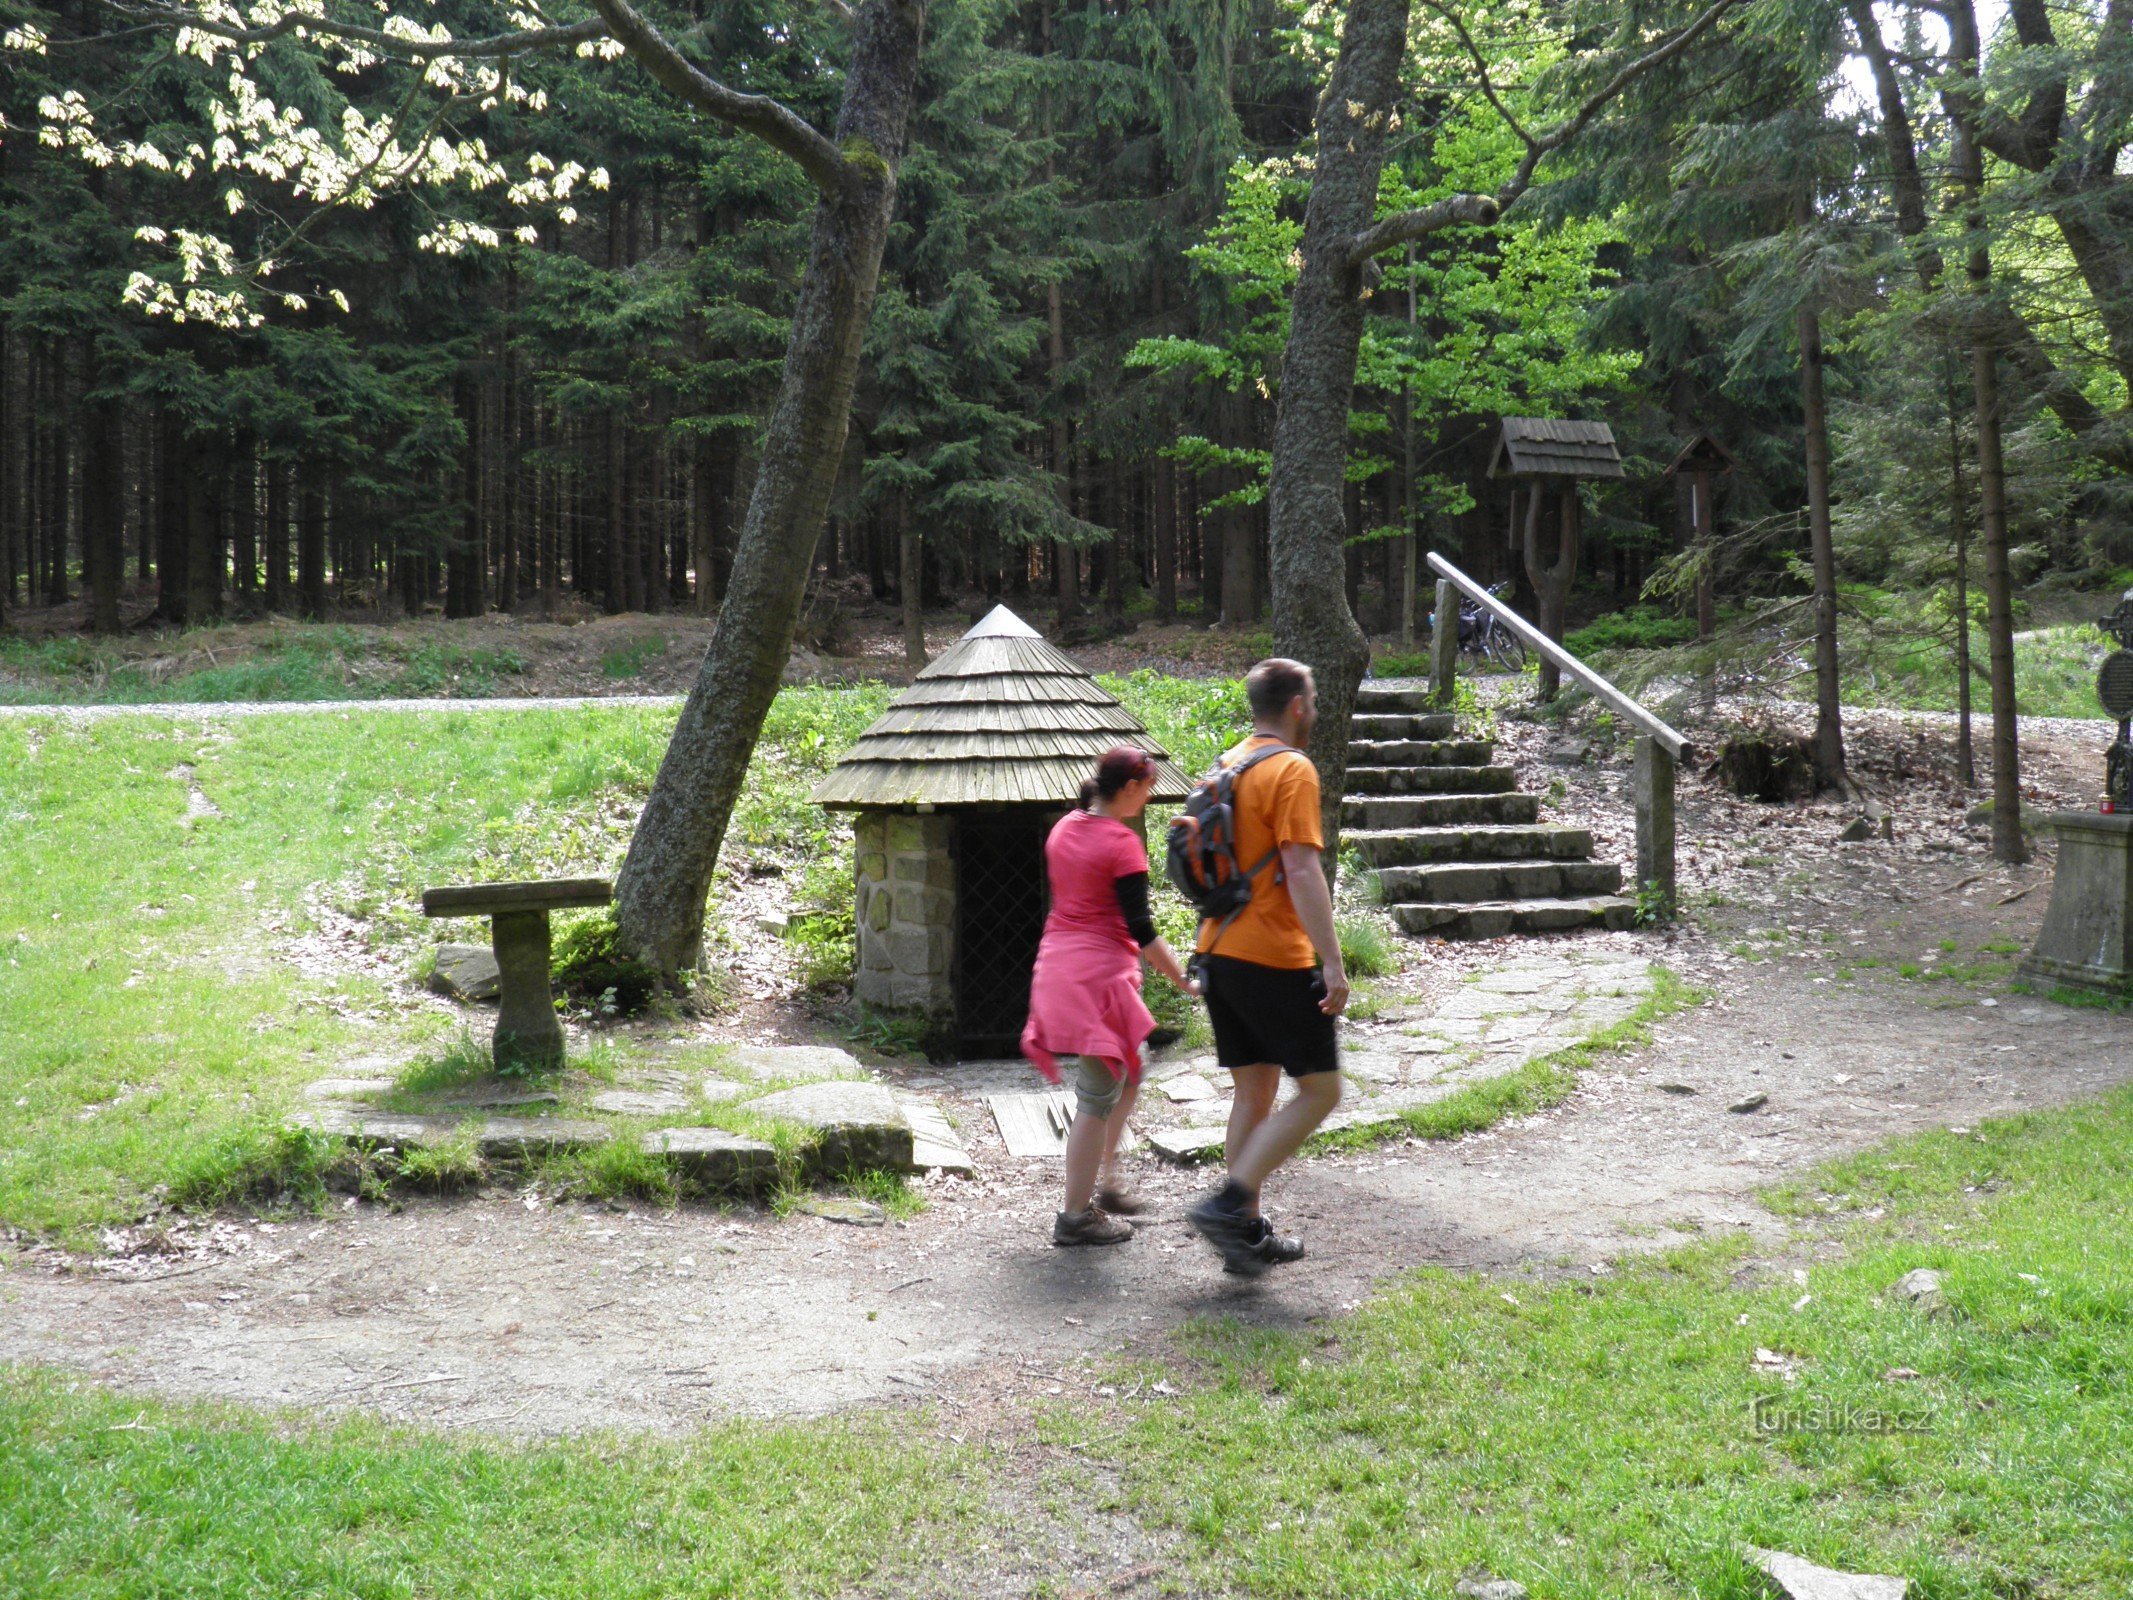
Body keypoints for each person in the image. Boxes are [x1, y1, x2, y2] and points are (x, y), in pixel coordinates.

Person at [1184, 658, 1348, 1276]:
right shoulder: (1292, 769)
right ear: (1298, 706)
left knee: (1255, 1092)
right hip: (1273, 955)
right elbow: (1303, 869)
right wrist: (1331, 963)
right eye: (1315, 698)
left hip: (1218, 949)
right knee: (1321, 1090)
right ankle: (1229, 1205)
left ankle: (1245, 1234)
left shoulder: (1227, 765)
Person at [1022, 745, 1197, 1246]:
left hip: (1059, 971)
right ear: (1127, 789)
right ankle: (1075, 1216)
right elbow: (1142, 931)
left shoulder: (1064, 827)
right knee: (1096, 1098)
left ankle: (1107, 1181)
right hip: (1096, 983)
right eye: (1147, 787)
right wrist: (1185, 979)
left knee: (1132, 1066)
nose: (1152, 795)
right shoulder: (1122, 844)